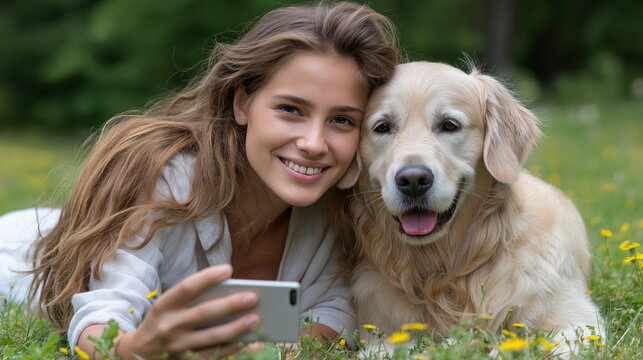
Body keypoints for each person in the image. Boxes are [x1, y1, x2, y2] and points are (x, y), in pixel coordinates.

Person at [0, 2, 399, 359]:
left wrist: (274, 348)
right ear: (243, 103)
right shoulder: (159, 173)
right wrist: (133, 349)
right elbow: (105, 311)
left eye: (342, 120)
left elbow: (338, 308)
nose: (314, 144)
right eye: (291, 109)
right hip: (17, 253)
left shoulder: (344, 204)